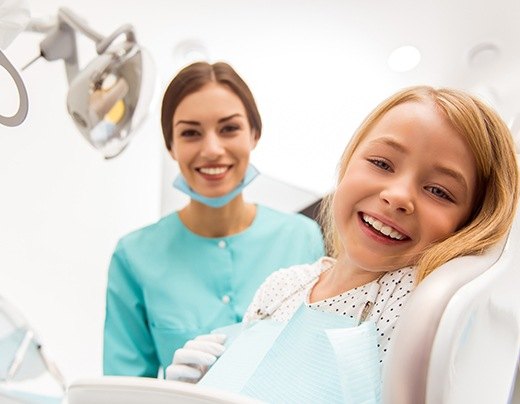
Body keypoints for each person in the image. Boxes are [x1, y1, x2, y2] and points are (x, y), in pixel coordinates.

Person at [166, 85, 519, 383]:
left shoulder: (418, 304)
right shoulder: (282, 286)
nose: (398, 196)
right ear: (348, 162)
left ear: (470, 223)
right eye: (381, 163)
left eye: (439, 191)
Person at [103, 62, 325, 377]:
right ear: (171, 146)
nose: (212, 149)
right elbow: (119, 393)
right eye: (191, 133)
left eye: (229, 128)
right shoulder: (134, 256)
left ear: (254, 134)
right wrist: (170, 389)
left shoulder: (302, 238)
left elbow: (321, 364)